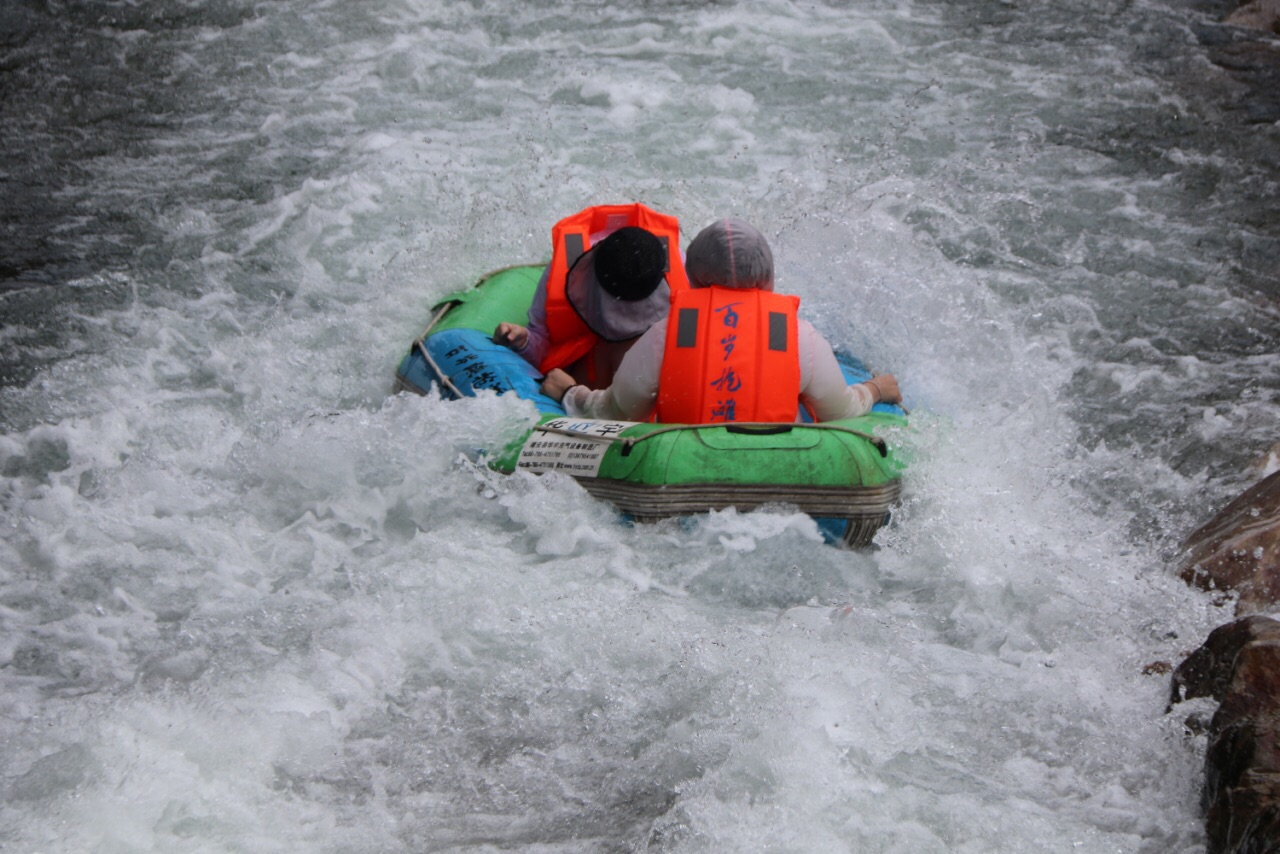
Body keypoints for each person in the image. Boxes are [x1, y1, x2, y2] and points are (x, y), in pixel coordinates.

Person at [539, 218, 902, 422]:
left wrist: (572, 393)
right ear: (768, 275)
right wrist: (873, 389)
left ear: (693, 278)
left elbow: (617, 412)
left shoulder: (667, 334)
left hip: (678, 468)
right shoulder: (798, 335)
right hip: (778, 468)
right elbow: (840, 411)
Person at [494, 203, 690, 388]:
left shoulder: (679, 271)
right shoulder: (565, 271)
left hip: (638, 367)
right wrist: (523, 341)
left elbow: (689, 352)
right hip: (585, 366)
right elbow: (541, 339)